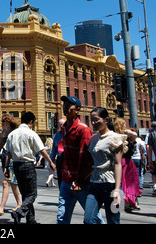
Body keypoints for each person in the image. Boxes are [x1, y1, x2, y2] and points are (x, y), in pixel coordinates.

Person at [56, 96, 104, 224]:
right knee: (62, 217)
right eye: (64, 104)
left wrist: (79, 181)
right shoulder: (64, 128)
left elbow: (86, 159)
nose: (65, 106)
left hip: (82, 183)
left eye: (69, 105)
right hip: (67, 181)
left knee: (94, 218)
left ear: (77, 110)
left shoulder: (83, 129)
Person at [5, 111, 56, 224]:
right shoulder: (31, 133)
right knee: (32, 194)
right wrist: (51, 162)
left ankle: (30, 220)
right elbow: (41, 150)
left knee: (25, 194)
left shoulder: (12, 134)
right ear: (31, 122)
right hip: (28, 165)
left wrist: (6, 167)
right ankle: (19, 211)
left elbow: (8, 153)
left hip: (16, 165)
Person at [84, 107, 125, 224]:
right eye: (91, 120)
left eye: (96, 120)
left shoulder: (116, 138)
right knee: (88, 220)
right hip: (94, 184)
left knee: (113, 221)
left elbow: (118, 164)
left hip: (111, 185)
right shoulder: (93, 139)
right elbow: (91, 161)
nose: (93, 123)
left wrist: (117, 190)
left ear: (106, 120)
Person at [0, 114, 21, 216]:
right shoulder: (3, 133)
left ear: (9, 121)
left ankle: (1, 208)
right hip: (5, 157)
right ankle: (19, 203)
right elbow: (0, 146)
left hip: (12, 159)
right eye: (2, 121)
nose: (2, 123)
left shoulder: (15, 132)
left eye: (4, 121)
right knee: (12, 183)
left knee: (6, 182)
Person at [113, 118, 141, 211]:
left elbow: (135, 134)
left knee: (130, 183)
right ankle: (126, 201)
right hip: (122, 162)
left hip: (128, 162)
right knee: (124, 183)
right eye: (124, 124)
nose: (126, 126)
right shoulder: (115, 136)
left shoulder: (126, 136)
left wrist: (123, 131)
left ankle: (131, 201)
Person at [50, 119, 65, 188]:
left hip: (68, 158)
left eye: (63, 124)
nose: (61, 126)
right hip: (60, 158)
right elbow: (53, 150)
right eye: (60, 125)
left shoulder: (69, 134)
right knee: (60, 178)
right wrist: (51, 162)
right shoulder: (56, 136)